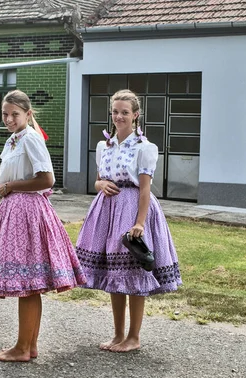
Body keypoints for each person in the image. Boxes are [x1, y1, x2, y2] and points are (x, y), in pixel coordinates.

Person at [0, 89, 86, 362]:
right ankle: (29, 346)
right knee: (29, 282)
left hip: (28, 212)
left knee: (27, 281)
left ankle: (23, 347)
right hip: (15, 210)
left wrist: (11, 186)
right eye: (5, 114)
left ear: (28, 114)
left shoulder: (31, 139)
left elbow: (47, 179)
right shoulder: (14, 140)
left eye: (15, 114)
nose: (9, 119)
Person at [75, 89, 182, 352]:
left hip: (132, 208)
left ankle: (134, 337)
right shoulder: (105, 146)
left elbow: (145, 189)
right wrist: (99, 184)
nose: (119, 116)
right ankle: (117, 335)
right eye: (115, 112)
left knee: (133, 273)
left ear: (135, 115)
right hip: (107, 211)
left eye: (125, 112)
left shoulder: (144, 148)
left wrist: (140, 223)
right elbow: (99, 179)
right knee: (115, 273)